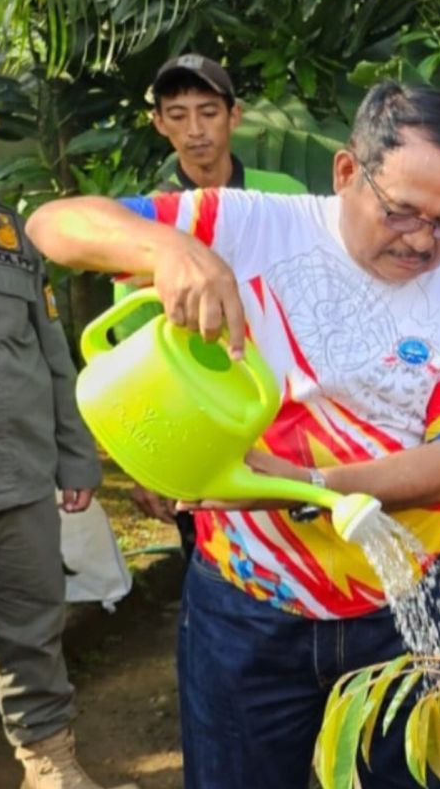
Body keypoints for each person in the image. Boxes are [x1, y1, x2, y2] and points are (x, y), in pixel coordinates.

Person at [26, 80, 440, 789]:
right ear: (348, 172)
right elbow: (53, 224)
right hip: (245, 609)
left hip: (400, 605)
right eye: (402, 212)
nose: (421, 241)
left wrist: (312, 487)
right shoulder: (248, 226)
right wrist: (169, 248)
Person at [0, 76, 129, 789]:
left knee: (33, 631)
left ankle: (50, 764)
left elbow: (54, 356)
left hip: (19, 483)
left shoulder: (13, 237)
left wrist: (77, 460)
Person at [118, 53, 308, 555]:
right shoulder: (147, 225)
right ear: (159, 123)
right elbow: (139, 353)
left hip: (292, 415)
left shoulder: (285, 198)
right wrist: (147, 463)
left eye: (208, 111)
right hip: (203, 426)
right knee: (218, 564)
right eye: (177, 115)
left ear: (234, 115)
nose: (195, 129)